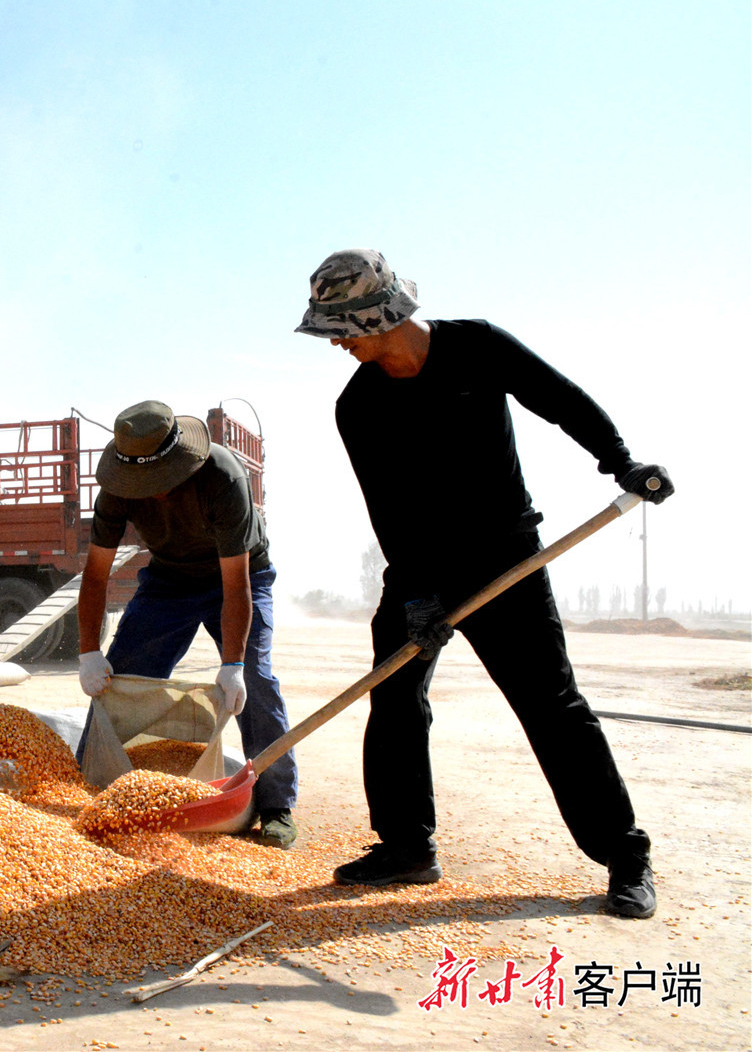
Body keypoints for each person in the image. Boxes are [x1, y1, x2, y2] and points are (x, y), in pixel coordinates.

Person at [295, 248, 673, 918]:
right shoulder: (358, 405)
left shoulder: (478, 346)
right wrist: (416, 598)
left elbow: (561, 401)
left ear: (379, 315)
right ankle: (407, 846)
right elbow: (389, 509)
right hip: (420, 567)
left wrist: (622, 462)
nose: (337, 344)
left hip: (506, 558)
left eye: (342, 328)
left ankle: (625, 852)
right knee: (395, 696)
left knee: (552, 705)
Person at [76, 401, 299, 848]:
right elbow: (96, 574)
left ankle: (276, 806)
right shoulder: (117, 488)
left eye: (160, 481)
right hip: (168, 580)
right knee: (118, 677)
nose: (153, 492)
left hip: (237, 575)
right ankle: (88, 787)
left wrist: (233, 664)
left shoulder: (223, 477)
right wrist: (87, 651)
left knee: (254, 681)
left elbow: (235, 585)